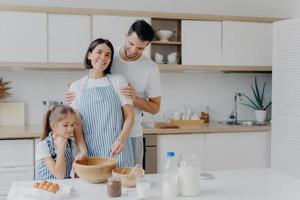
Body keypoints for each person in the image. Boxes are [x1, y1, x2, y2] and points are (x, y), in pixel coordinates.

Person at [66, 20, 161, 166]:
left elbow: (155, 108)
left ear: (147, 46)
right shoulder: (109, 53)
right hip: (91, 139)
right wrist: (72, 90)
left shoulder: (150, 69)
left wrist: (134, 98)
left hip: (130, 135)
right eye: (131, 44)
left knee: (129, 180)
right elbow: (93, 73)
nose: (133, 50)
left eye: (140, 48)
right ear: (126, 35)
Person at [68, 38, 135, 167]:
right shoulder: (76, 86)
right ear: (89, 55)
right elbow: (77, 124)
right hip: (91, 151)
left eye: (107, 55)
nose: (103, 57)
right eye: (99, 52)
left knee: (120, 185)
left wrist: (121, 141)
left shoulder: (118, 81)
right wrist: (83, 151)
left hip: (117, 149)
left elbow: (130, 116)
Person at [36, 105, 77, 180]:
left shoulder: (73, 145)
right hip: (46, 188)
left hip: (65, 187)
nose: (70, 128)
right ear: (53, 126)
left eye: (72, 124)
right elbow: (59, 175)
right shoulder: (43, 146)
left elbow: (77, 171)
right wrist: (61, 148)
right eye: (65, 125)